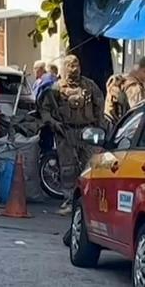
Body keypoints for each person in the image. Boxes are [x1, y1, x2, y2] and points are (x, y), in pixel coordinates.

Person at [39, 55, 104, 215]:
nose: (74, 69)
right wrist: (53, 123)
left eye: (76, 65)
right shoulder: (55, 88)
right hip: (65, 132)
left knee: (89, 168)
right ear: (64, 68)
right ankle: (69, 200)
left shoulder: (89, 86)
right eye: (70, 66)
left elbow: (100, 105)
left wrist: (100, 127)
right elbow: (44, 110)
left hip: (87, 132)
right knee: (68, 168)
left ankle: (89, 202)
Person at [104, 57, 145, 127]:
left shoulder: (120, 81)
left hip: (114, 128)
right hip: (129, 130)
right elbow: (139, 115)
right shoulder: (134, 87)